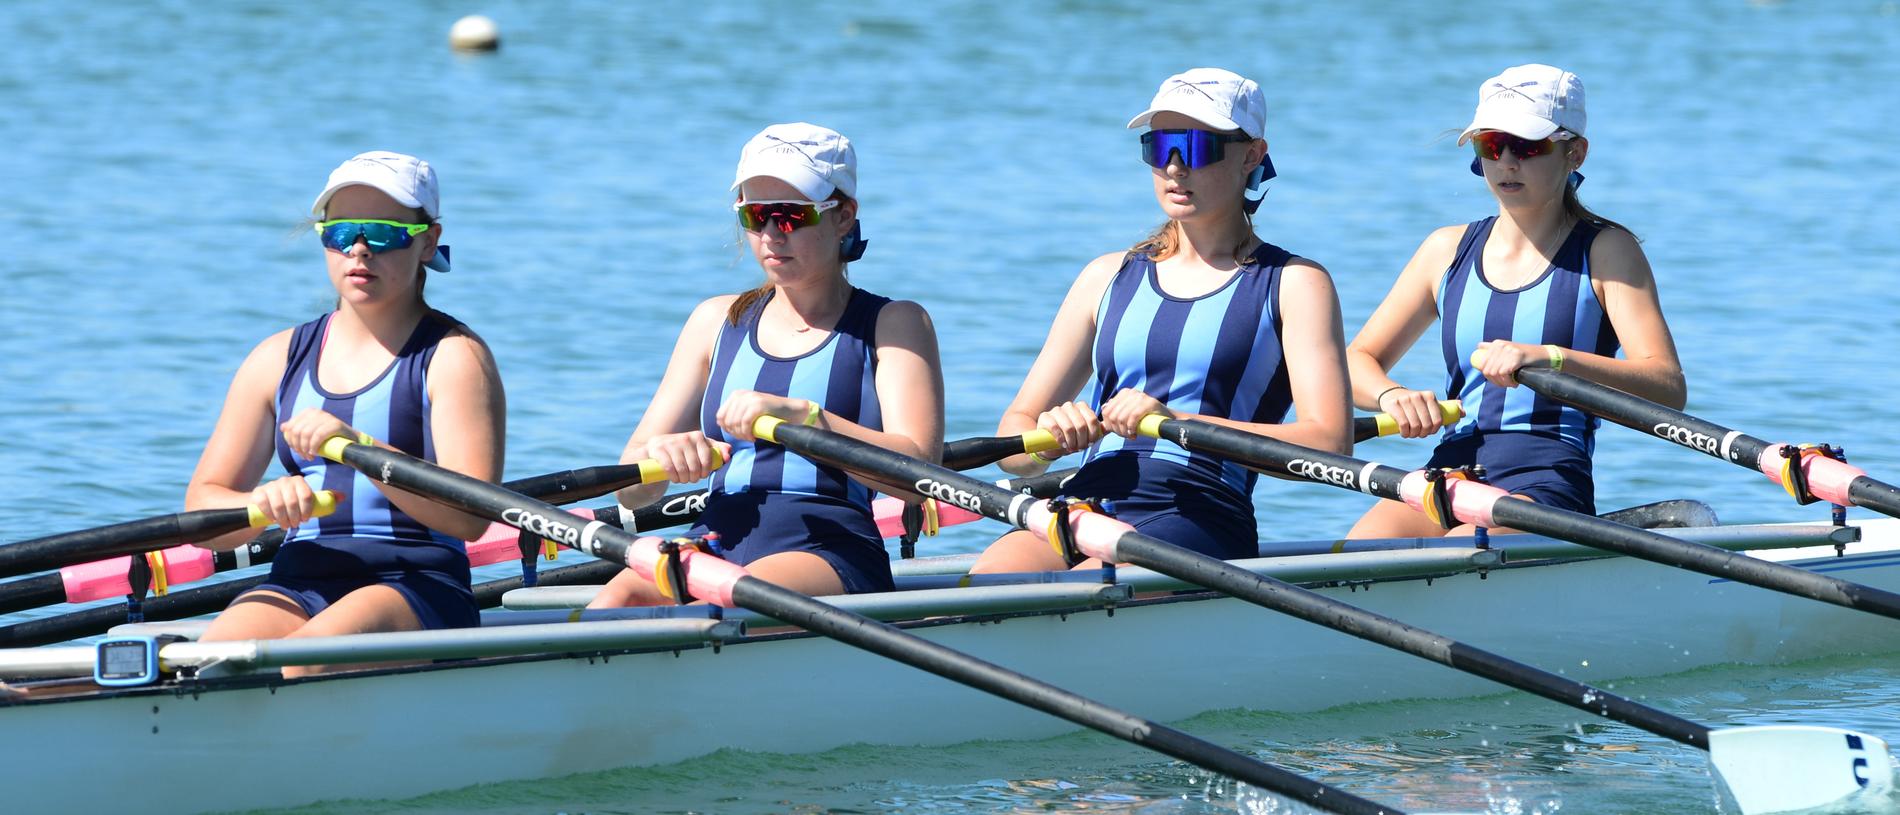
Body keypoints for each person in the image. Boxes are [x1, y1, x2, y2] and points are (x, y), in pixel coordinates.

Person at [969, 68, 1351, 573]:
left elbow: (1330, 444)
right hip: (1080, 503)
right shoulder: (1104, 277)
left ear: (1252, 156)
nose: (1174, 167)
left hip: (1198, 512)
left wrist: (1178, 424)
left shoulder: (1295, 283)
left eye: (1196, 146)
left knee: (1080, 593)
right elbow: (1012, 445)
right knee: (981, 586)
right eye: (1159, 146)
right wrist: (1050, 435)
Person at [588, 123, 943, 607]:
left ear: (843, 217)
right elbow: (630, 492)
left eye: (791, 215)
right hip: (710, 540)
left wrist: (807, 419)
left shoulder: (894, 323)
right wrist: (661, 460)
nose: (773, 233)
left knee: (730, 599)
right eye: (755, 216)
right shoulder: (714, 320)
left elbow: (920, 476)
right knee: (609, 608)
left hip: (828, 550)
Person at [185, 151, 506, 674]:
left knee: (304, 664)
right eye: (340, 232)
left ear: (427, 241)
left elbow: (471, 516)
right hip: (299, 579)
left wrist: (360, 450)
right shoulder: (274, 359)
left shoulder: (454, 358)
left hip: (419, 584)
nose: (359, 249)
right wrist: (260, 506)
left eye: (382, 233)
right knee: (208, 664)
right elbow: (204, 512)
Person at [1344, 64, 1685, 539]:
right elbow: (1356, 360)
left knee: (1455, 558)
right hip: (1448, 472)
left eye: (1527, 146)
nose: (1506, 161)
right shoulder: (1445, 249)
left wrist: (1550, 359)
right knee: (1355, 556)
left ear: (1576, 153)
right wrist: (1392, 395)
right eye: (1491, 145)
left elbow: (1666, 386)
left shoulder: (1607, 251)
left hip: (1545, 480)